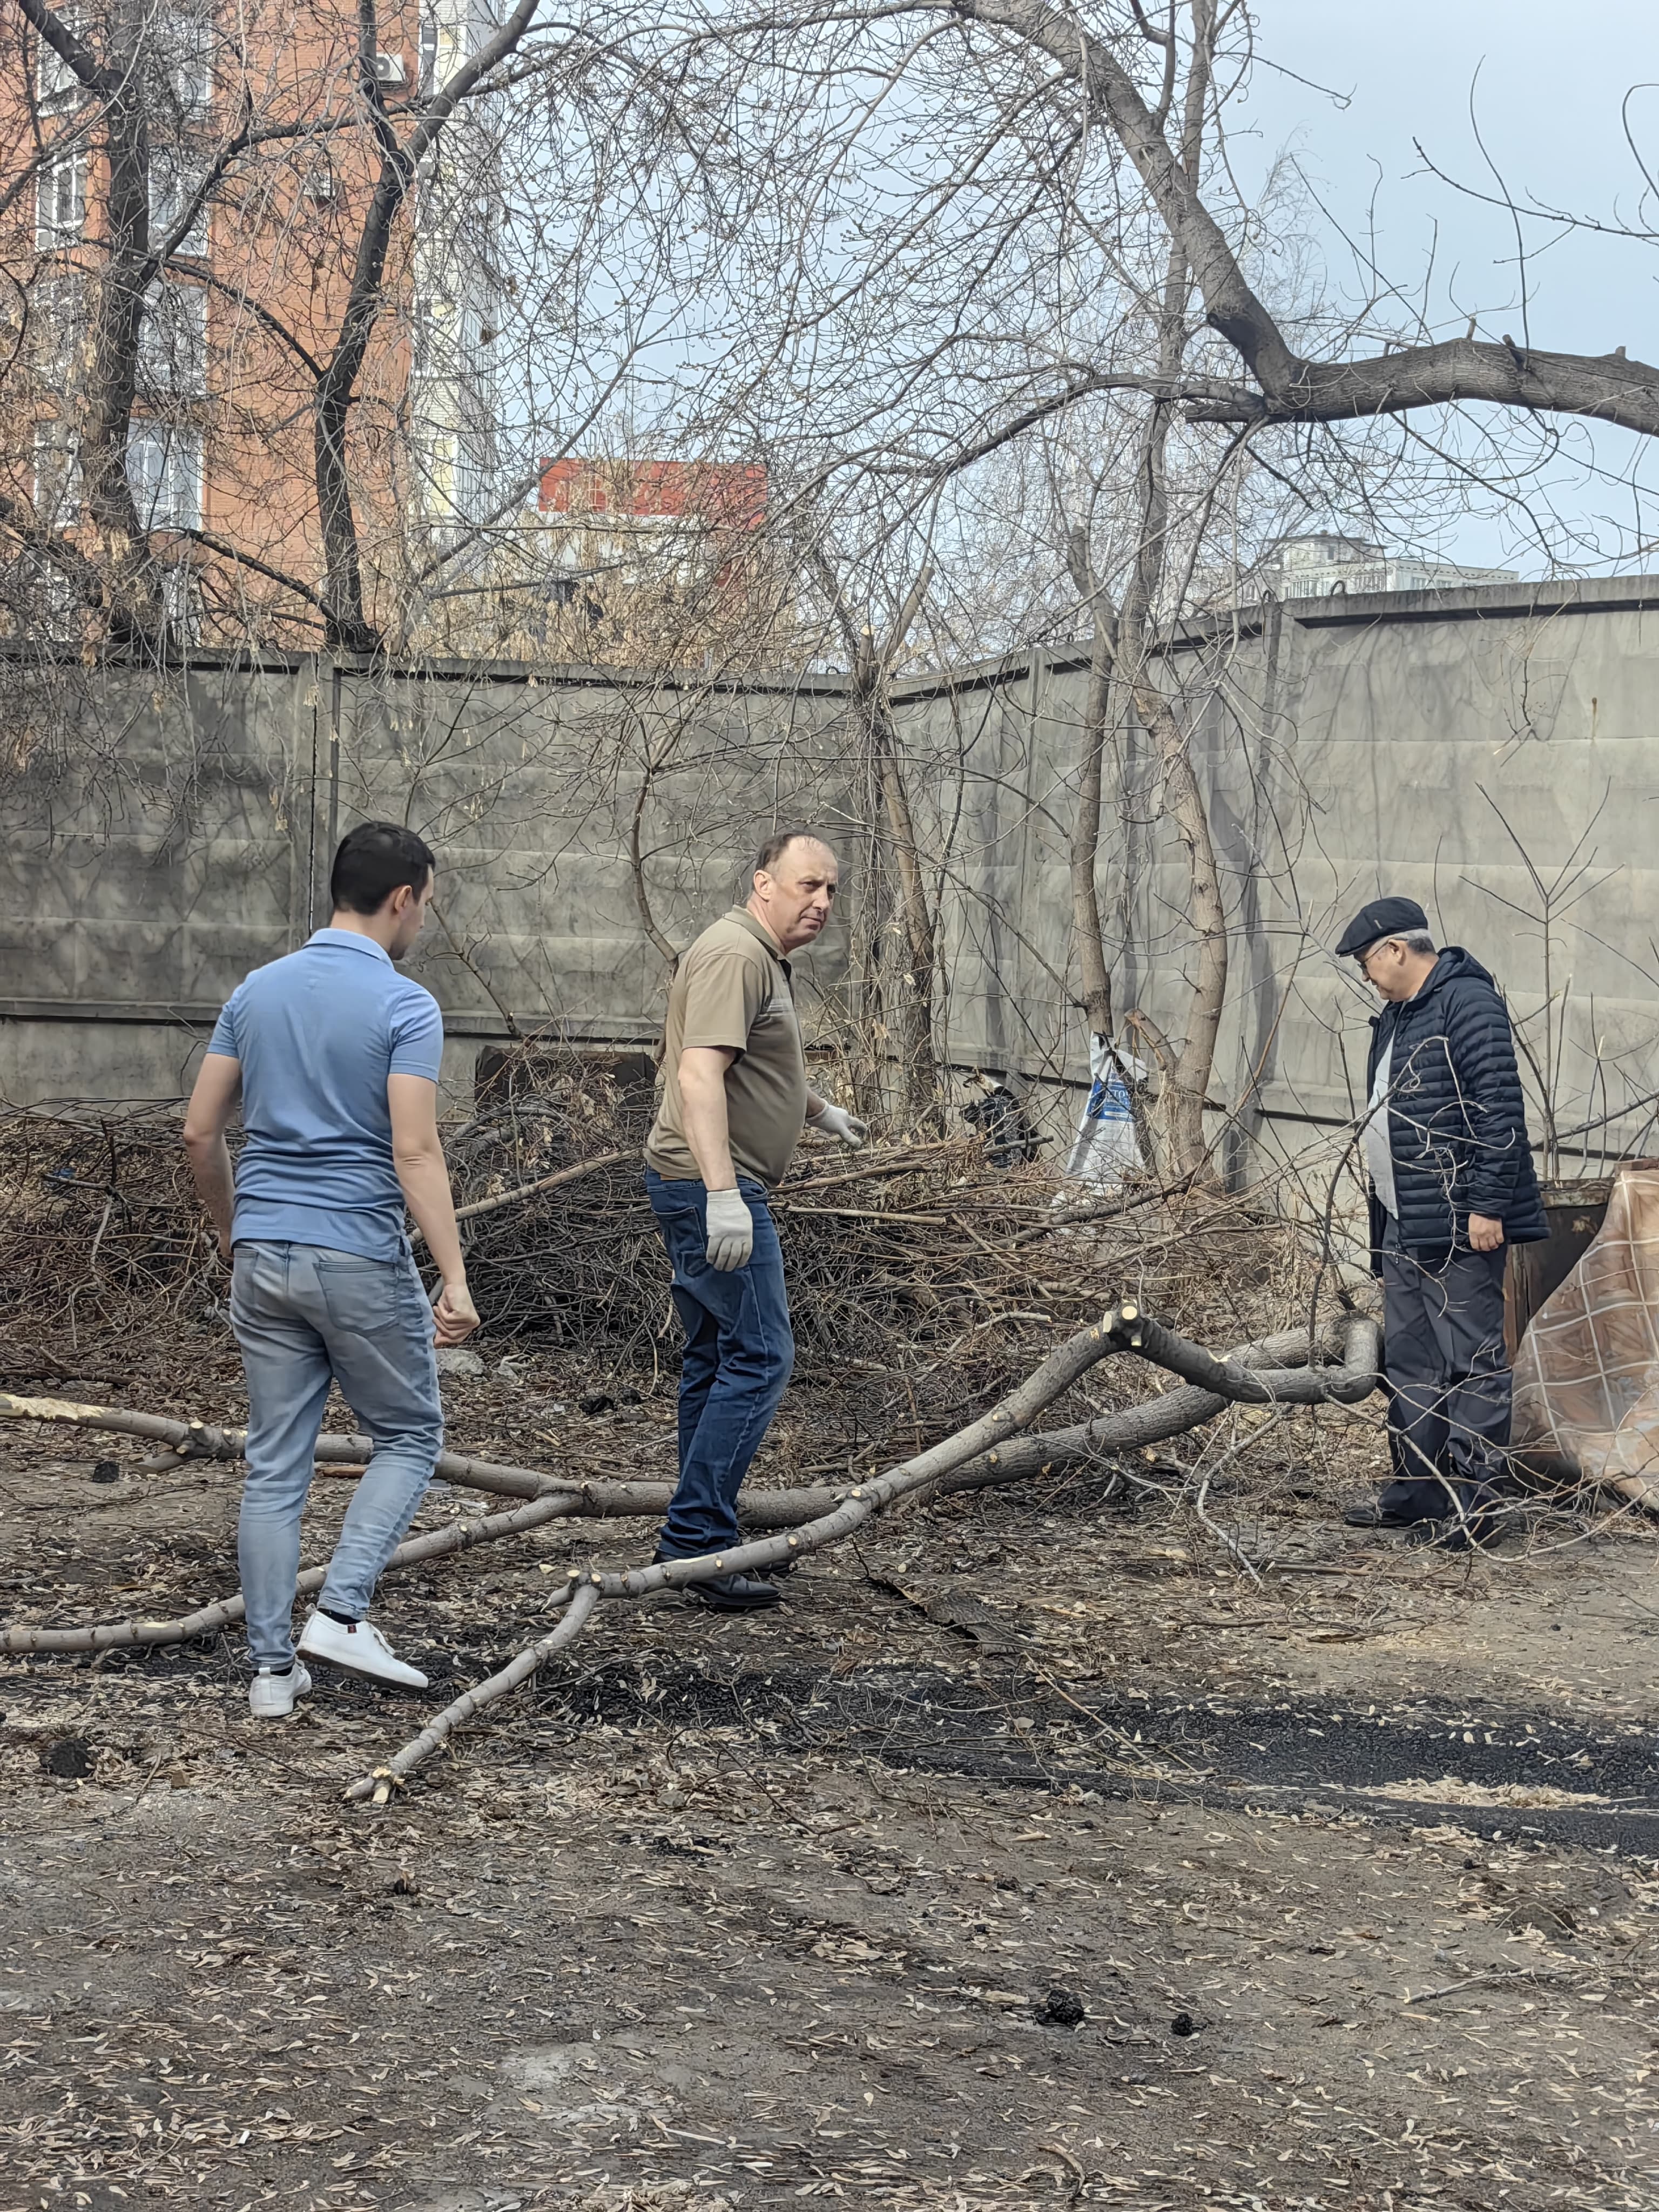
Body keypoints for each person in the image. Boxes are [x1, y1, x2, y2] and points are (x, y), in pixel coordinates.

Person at [183, 822, 479, 1718]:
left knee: (276, 1462)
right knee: (411, 1433)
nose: (421, 920)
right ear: (402, 899)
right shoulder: (404, 1005)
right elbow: (414, 1150)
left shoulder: (256, 992)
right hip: (353, 1251)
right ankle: (342, 1612)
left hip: (263, 1255)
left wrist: (237, 1234)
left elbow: (200, 1132)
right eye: (423, 904)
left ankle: (272, 1674)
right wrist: (454, 1277)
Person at [643, 831, 868, 1609]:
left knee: (715, 1358)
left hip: (706, 1179)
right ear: (764, 882)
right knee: (763, 1355)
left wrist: (818, 1109)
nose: (823, 903)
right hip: (712, 1183)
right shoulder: (737, 954)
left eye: (832, 890)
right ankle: (698, 1540)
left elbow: (750, 1061)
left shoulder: (759, 957)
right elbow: (699, 1073)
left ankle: (698, 1536)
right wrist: (722, 1195)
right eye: (809, 885)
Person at [1336, 896, 1546, 1546]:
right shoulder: (1397, 1015)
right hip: (1403, 1220)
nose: (1367, 977)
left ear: (1398, 950)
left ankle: (1475, 1508)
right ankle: (1418, 1491)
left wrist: (1487, 1204)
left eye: (1369, 963)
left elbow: (1500, 1112)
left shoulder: (1467, 1002)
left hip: (1460, 1220)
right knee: (1410, 1360)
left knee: (1472, 1361)